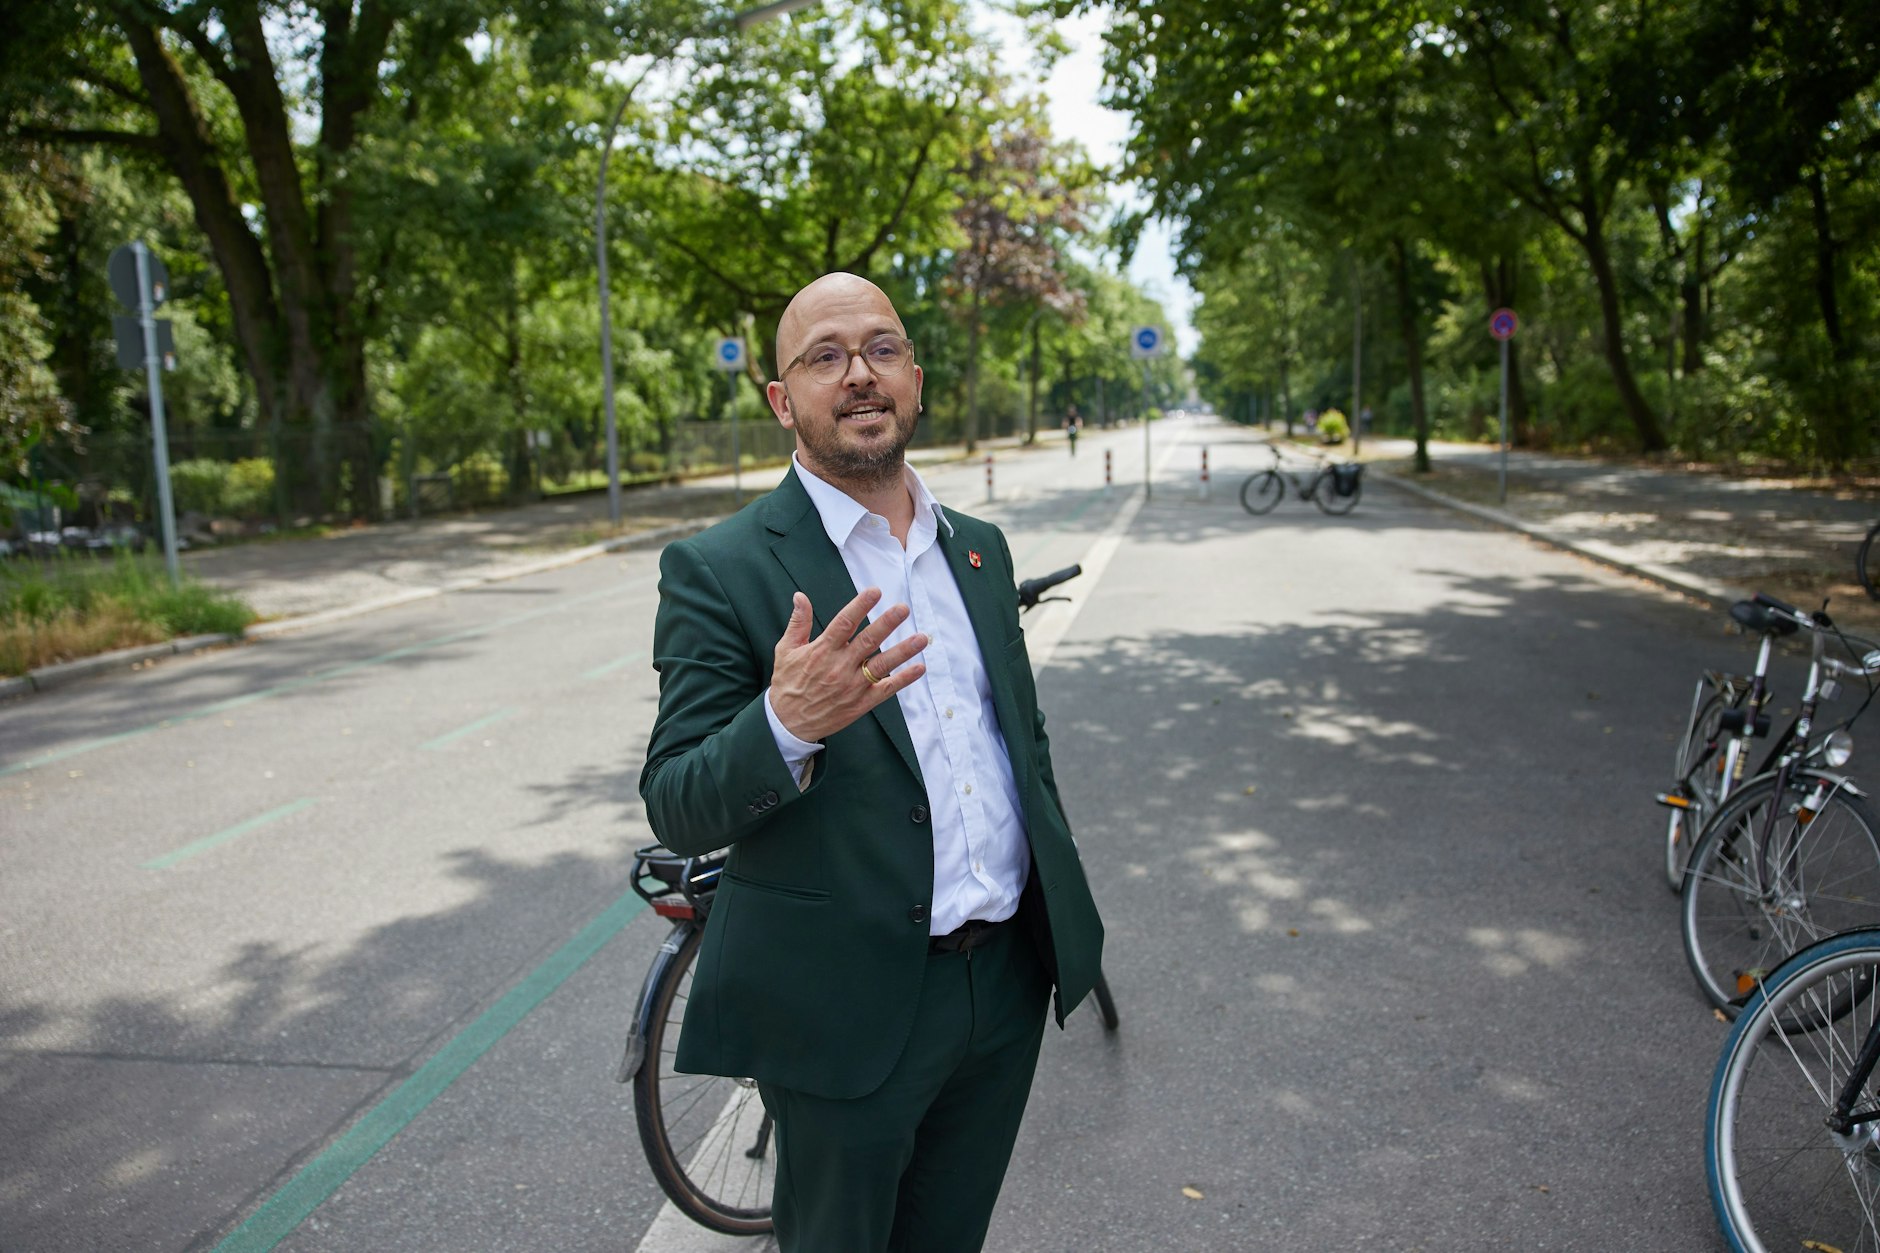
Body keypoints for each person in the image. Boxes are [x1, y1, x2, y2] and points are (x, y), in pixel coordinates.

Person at [639, 272, 1105, 1253]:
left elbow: (1021, 742)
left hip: (1002, 986)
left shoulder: (977, 549)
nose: (859, 373)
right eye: (825, 356)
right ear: (782, 401)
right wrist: (784, 721)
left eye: (881, 349)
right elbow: (675, 799)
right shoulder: (722, 567)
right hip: (845, 1008)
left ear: (914, 381)